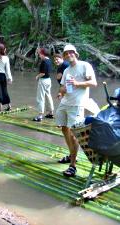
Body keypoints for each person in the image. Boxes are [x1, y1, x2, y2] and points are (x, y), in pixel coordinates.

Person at [56, 44, 97, 177]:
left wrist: (78, 84)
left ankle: (73, 166)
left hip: (77, 104)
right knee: (64, 129)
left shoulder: (85, 65)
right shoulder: (67, 70)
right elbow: (63, 87)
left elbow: (93, 83)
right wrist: (61, 92)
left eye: (70, 52)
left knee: (74, 134)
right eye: (66, 54)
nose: (68, 55)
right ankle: (71, 154)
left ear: (76, 54)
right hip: (65, 102)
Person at [33, 48, 54, 121]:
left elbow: (42, 73)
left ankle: (40, 115)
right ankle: (50, 112)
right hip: (48, 80)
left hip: (43, 81)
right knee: (48, 96)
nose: (39, 55)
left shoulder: (44, 61)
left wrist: (37, 76)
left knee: (40, 98)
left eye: (39, 54)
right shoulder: (49, 60)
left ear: (42, 54)